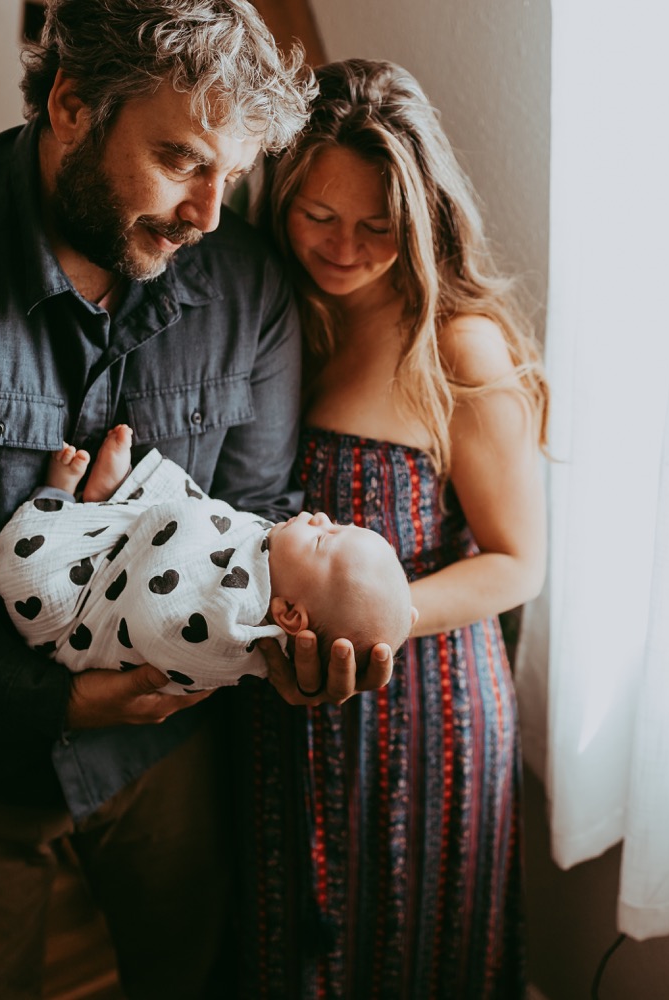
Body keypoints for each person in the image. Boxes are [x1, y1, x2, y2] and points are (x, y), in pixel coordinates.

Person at [0, 2, 390, 996]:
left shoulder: (246, 288)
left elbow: (256, 514)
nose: (209, 213)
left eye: (234, 172)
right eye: (180, 158)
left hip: (161, 747)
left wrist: (278, 650)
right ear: (71, 105)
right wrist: (56, 697)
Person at [234, 58, 549, 998]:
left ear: (422, 220)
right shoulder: (273, 314)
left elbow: (517, 563)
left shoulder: (455, 344)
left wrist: (381, 619)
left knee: (414, 952)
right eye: (318, 216)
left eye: (378, 226)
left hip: (423, 710)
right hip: (280, 710)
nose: (342, 248)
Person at [0, 423, 415, 691]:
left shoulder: (232, 629)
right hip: (137, 550)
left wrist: (186, 525)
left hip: (79, 614)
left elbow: (160, 618)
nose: (321, 518)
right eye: (336, 522)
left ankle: (58, 500)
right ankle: (113, 504)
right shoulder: (269, 553)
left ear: (287, 615)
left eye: (324, 540)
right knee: (212, 517)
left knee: (28, 571)